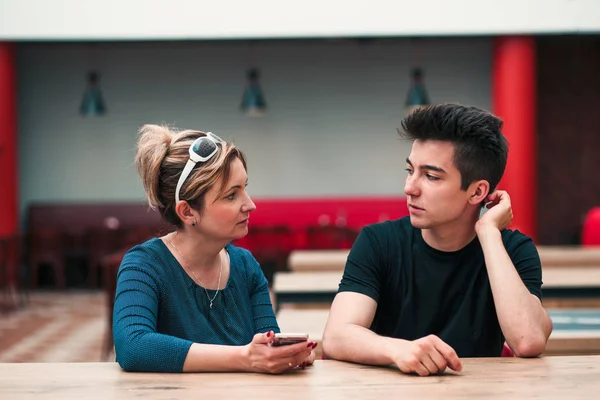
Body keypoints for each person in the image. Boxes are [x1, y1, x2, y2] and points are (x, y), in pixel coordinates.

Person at [322, 104, 552, 376]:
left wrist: (489, 233)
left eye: (430, 176)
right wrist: (398, 350)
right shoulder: (378, 242)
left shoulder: (513, 250)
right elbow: (336, 335)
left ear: (477, 192)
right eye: (410, 171)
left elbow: (528, 340)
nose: (410, 187)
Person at [113, 125, 317, 373]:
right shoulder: (144, 265)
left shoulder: (245, 265)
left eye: (245, 188)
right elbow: (133, 347)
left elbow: (266, 344)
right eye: (232, 195)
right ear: (188, 212)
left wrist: (285, 355)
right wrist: (245, 357)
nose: (250, 204)